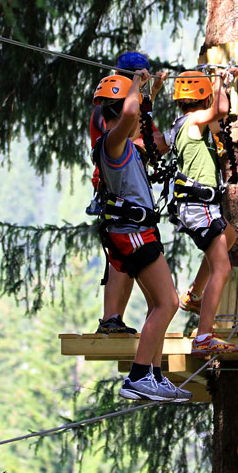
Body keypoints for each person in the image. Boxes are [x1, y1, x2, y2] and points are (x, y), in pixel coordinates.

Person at [92, 72, 190, 402]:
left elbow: (139, 117)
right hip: (133, 234)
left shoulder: (129, 143)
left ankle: (154, 375)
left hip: (136, 232)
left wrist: (149, 91)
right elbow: (132, 115)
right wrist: (135, 82)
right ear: (119, 112)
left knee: (157, 305)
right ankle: (138, 377)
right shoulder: (112, 143)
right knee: (169, 302)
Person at [90, 52, 168, 335]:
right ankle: (111, 317)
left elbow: (137, 125)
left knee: (121, 257)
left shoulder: (126, 100)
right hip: (114, 185)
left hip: (123, 185)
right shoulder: (110, 107)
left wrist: (151, 94)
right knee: (122, 250)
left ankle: (115, 319)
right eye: (136, 76)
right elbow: (130, 123)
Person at [167, 69, 238, 356]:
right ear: (203, 96)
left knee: (229, 236)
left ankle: (195, 295)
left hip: (196, 206)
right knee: (222, 267)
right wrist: (220, 80)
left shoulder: (178, 125)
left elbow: (216, 119)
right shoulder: (196, 120)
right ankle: (204, 337)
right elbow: (220, 110)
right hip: (201, 207)